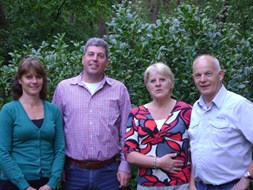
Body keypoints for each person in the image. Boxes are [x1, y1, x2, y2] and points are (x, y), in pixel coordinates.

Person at [52, 37, 132, 190]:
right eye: (90, 54)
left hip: (109, 173)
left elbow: (126, 131)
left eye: (100, 56)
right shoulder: (64, 88)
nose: (94, 59)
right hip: (72, 172)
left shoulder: (119, 90)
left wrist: (125, 165)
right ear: (83, 59)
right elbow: (56, 131)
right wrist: (57, 166)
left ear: (107, 62)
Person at [189, 54, 253, 190]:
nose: (203, 80)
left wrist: (247, 177)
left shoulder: (239, 105)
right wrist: (192, 182)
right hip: (200, 186)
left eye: (208, 74)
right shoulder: (196, 108)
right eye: (198, 75)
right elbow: (196, 148)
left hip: (231, 186)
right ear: (193, 78)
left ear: (220, 75)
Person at [0, 56, 65, 190]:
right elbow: (3, 152)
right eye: (29, 77)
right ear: (20, 80)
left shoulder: (54, 111)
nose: (34, 81)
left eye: (38, 77)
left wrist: (52, 183)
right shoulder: (9, 110)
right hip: (14, 183)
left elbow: (59, 149)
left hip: (46, 184)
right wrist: (24, 186)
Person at [124, 62, 192, 190]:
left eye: (162, 79)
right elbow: (130, 154)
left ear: (171, 83)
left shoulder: (187, 111)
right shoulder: (137, 114)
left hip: (181, 183)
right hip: (147, 184)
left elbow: (197, 150)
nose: (158, 84)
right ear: (147, 87)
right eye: (152, 81)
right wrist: (159, 163)